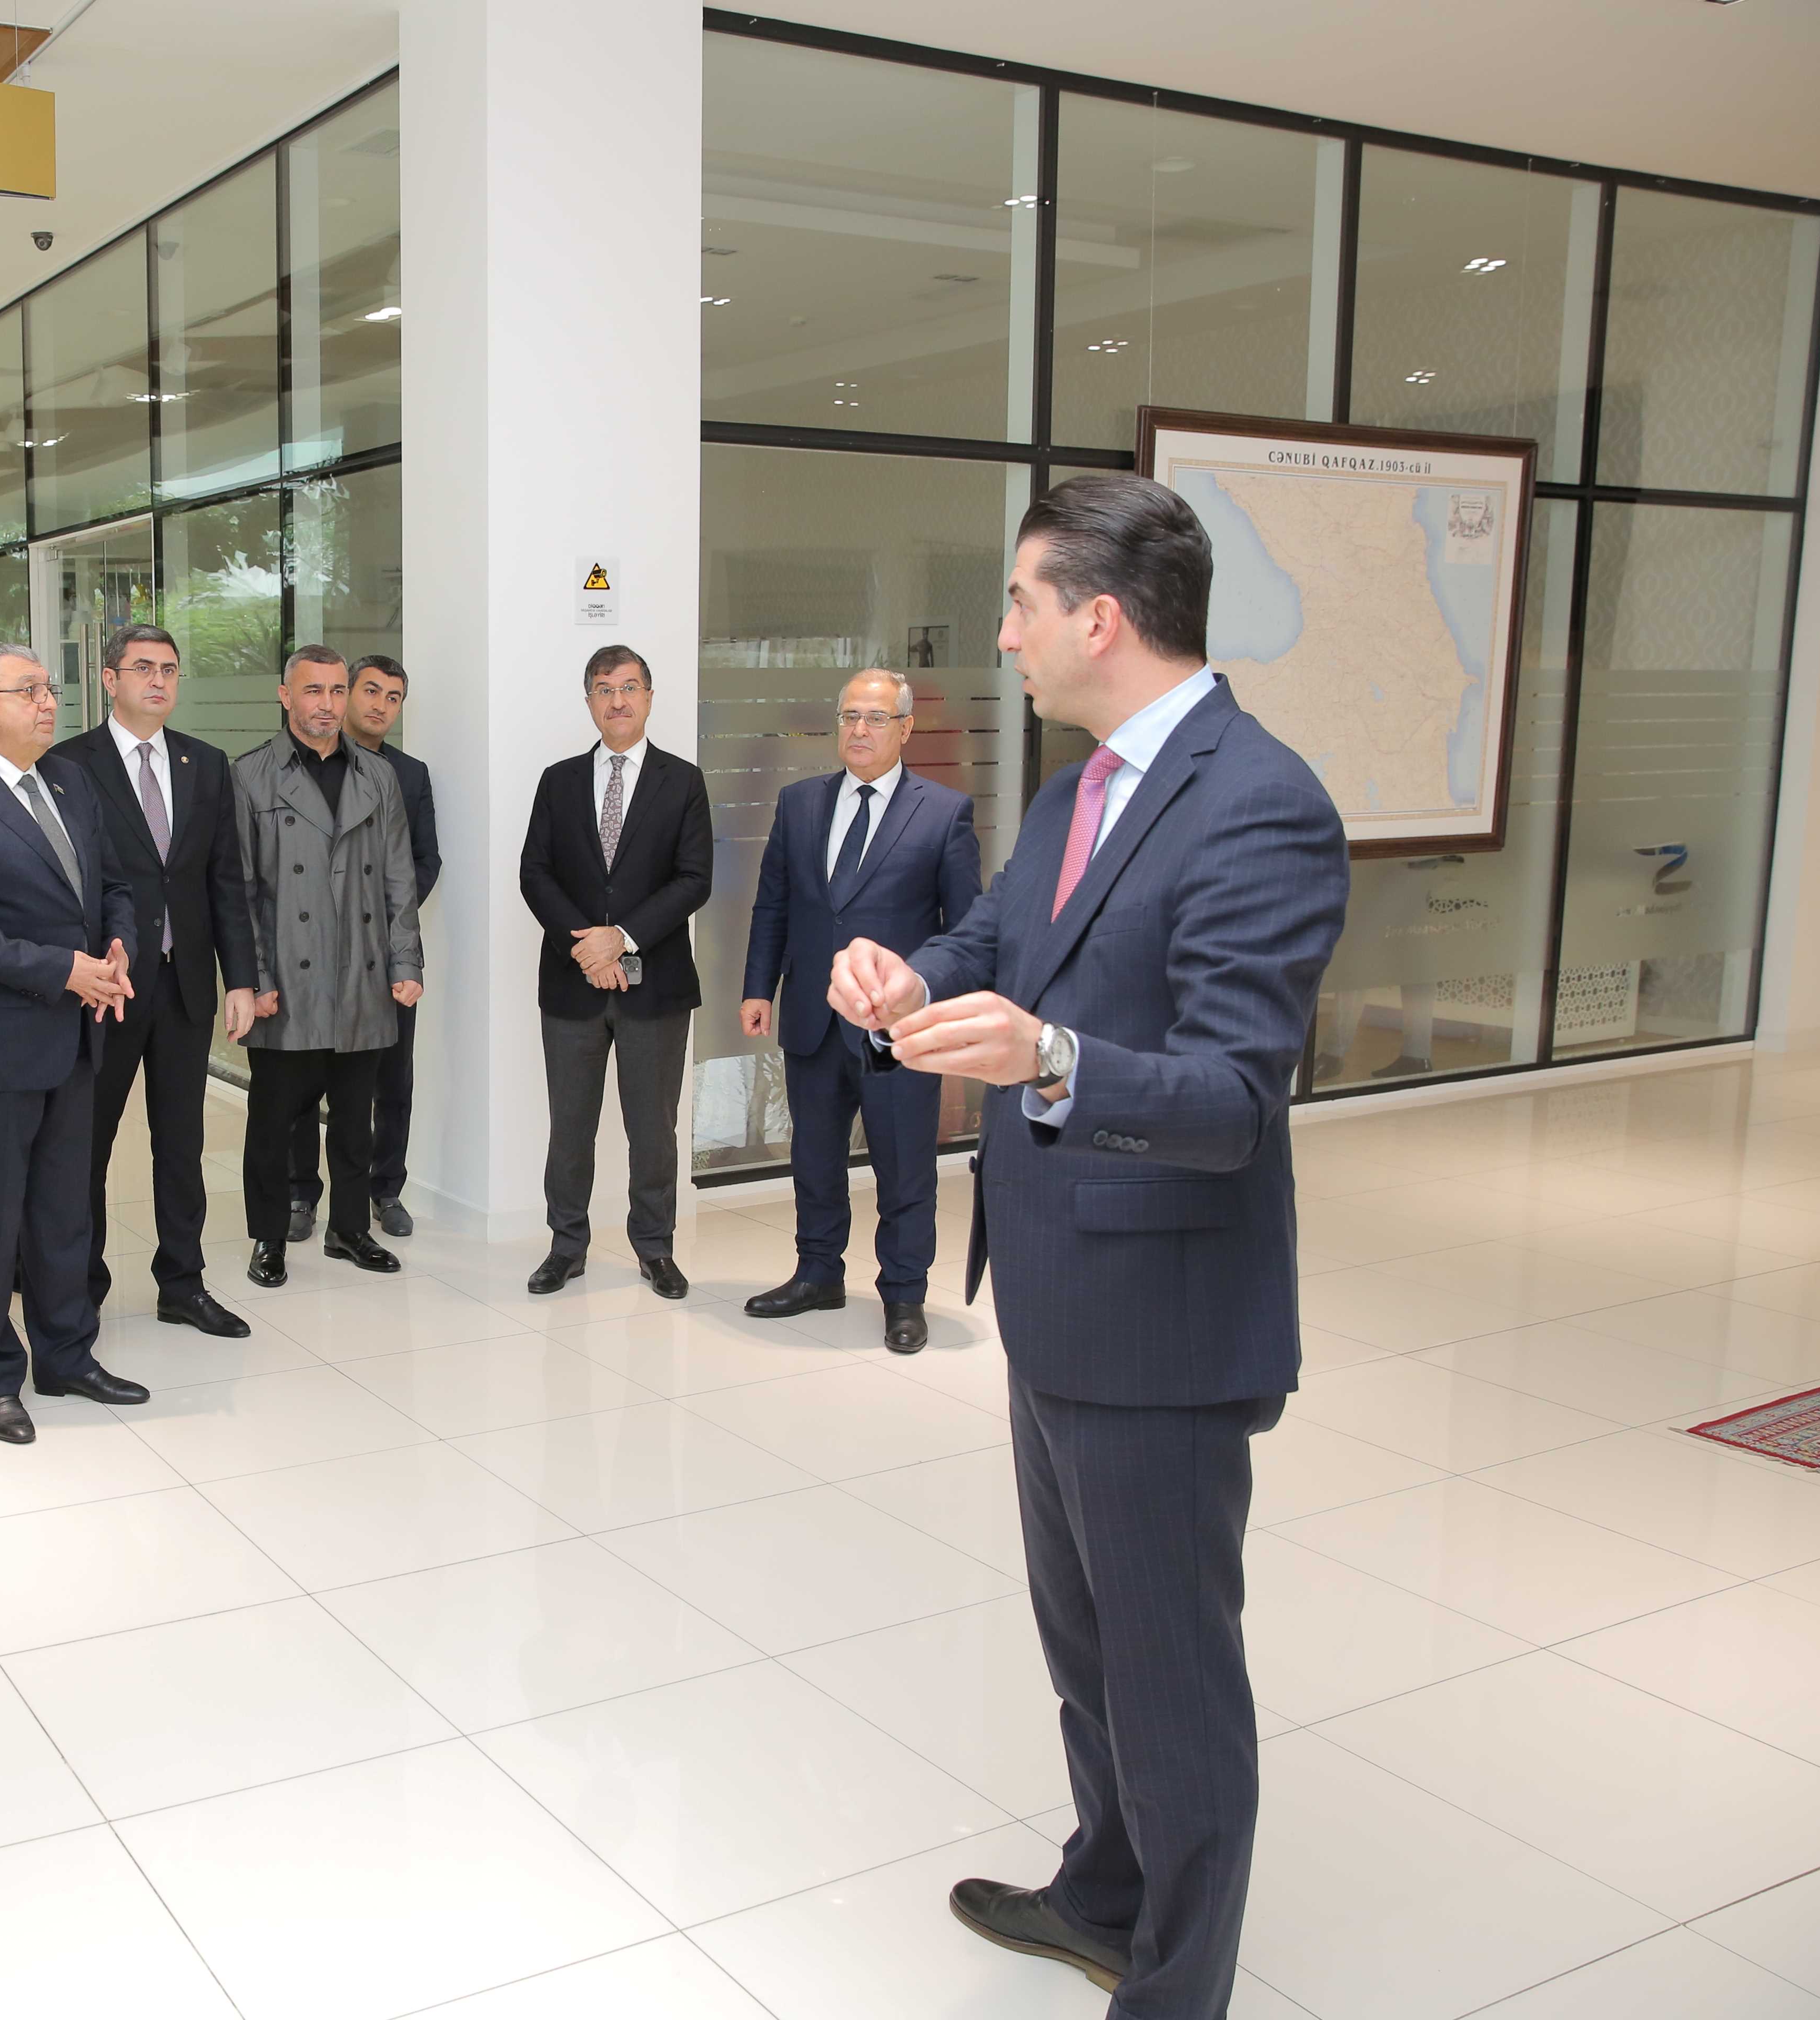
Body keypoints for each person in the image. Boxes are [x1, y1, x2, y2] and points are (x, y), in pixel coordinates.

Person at [831, 473, 1346, 2020]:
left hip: (1164, 1320)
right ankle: (1104, 1895)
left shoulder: (1260, 801)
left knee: (1170, 1676)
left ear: (1099, 618)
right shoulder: (1075, 791)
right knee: (1086, 1647)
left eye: (1019, 603)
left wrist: (1048, 1058)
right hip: (1056, 1292)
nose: (1003, 634)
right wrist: (904, 975)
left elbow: (1235, 1096)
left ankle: (1173, 1986)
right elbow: (994, 944)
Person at [0, 642, 150, 1445]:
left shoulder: (69, 782)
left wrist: (116, 946)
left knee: (64, 1209)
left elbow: (112, 884)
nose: (49, 703)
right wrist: (62, 969)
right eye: (30, 691)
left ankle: (67, 1355)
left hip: (74, 1035)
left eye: (49, 689)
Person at [739, 668, 982, 1350]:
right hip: (813, 1017)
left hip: (898, 1029)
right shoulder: (800, 804)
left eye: (876, 718)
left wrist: (947, 1017)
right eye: (850, 716)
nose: (860, 730)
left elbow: (965, 931)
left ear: (905, 729)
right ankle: (817, 1273)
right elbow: (773, 904)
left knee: (904, 1166)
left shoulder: (944, 813)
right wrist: (758, 987)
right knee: (815, 1159)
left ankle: (904, 1294)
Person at [47, 624, 261, 1339]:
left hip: (184, 982)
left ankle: (183, 1283)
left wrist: (241, 979)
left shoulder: (206, 763)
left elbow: (225, 880)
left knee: (181, 1143)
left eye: (169, 669)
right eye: (143, 668)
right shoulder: (68, 764)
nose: (159, 681)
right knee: (88, 1143)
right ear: (110, 679)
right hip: (107, 986)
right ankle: (81, 1285)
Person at [516, 645, 713, 1300]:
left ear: (649, 697)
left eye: (630, 687)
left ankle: (655, 1248)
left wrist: (620, 939)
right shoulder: (559, 781)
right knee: (570, 1127)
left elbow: (694, 879)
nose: (618, 700)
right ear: (590, 701)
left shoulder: (683, 781)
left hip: (656, 986)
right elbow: (535, 873)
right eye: (605, 689)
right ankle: (566, 1246)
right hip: (571, 982)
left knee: (652, 1130)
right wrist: (586, 947)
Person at [233, 644, 423, 1287]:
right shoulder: (250, 776)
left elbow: (399, 878)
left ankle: (349, 1229)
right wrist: (254, 979)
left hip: (363, 973)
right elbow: (241, 891)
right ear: (286, 696)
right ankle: (269, 1237)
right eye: (313, 690)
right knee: (273, 1119)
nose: (327, 704)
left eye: (338, 691)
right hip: (287, 978)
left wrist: (406, 961)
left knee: (353, 1117)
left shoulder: (378, 776)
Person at [286, 653, 440, 1239]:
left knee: (391, 1081)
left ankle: (385, 1189)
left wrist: (378, 919)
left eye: (393, 697)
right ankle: (300, 1194)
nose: (380, 706)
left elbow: (423, 862)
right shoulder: (298, 765)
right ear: (345, 694)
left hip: (383, 951)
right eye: (370, 691)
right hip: (309, 950)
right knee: (305, 1079)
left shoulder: (409, 775)